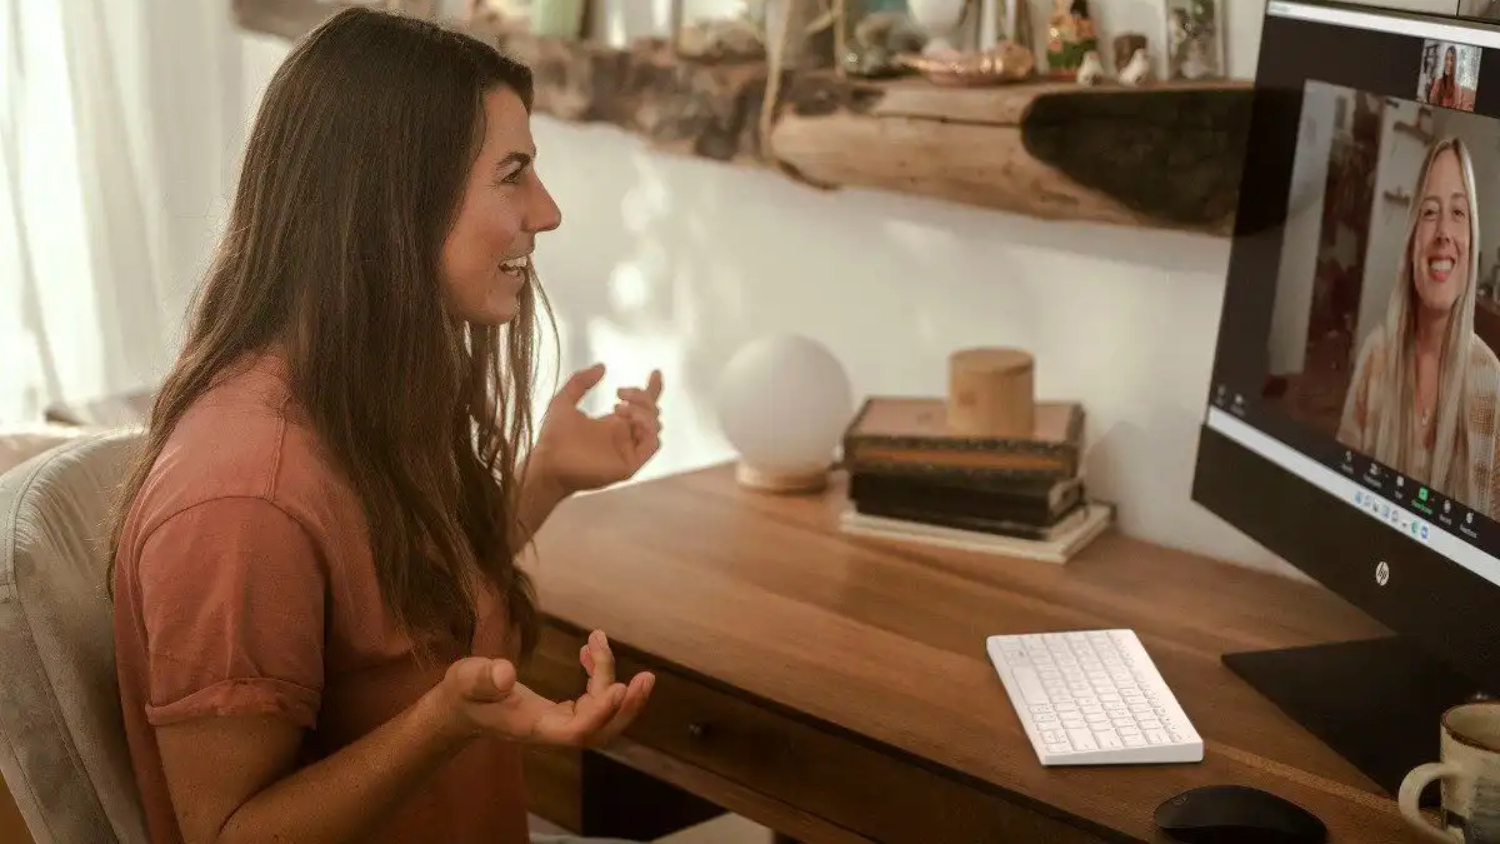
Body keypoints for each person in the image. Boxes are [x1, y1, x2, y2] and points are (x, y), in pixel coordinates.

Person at [108, 8, 661, 844]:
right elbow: (229, 834)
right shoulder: (242, 501)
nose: (546, 212)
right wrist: (445, 721)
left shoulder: (359, 400)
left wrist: (545, 477)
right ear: (393, 202)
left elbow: (395, 625)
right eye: (513, 174)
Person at [1338, 136, 1500, 519]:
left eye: (1458, 212)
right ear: (1412, 241)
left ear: (1472, 241)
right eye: (1429, 212)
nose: (1443, 231)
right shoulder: (1375, 356)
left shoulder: (1493, 389)